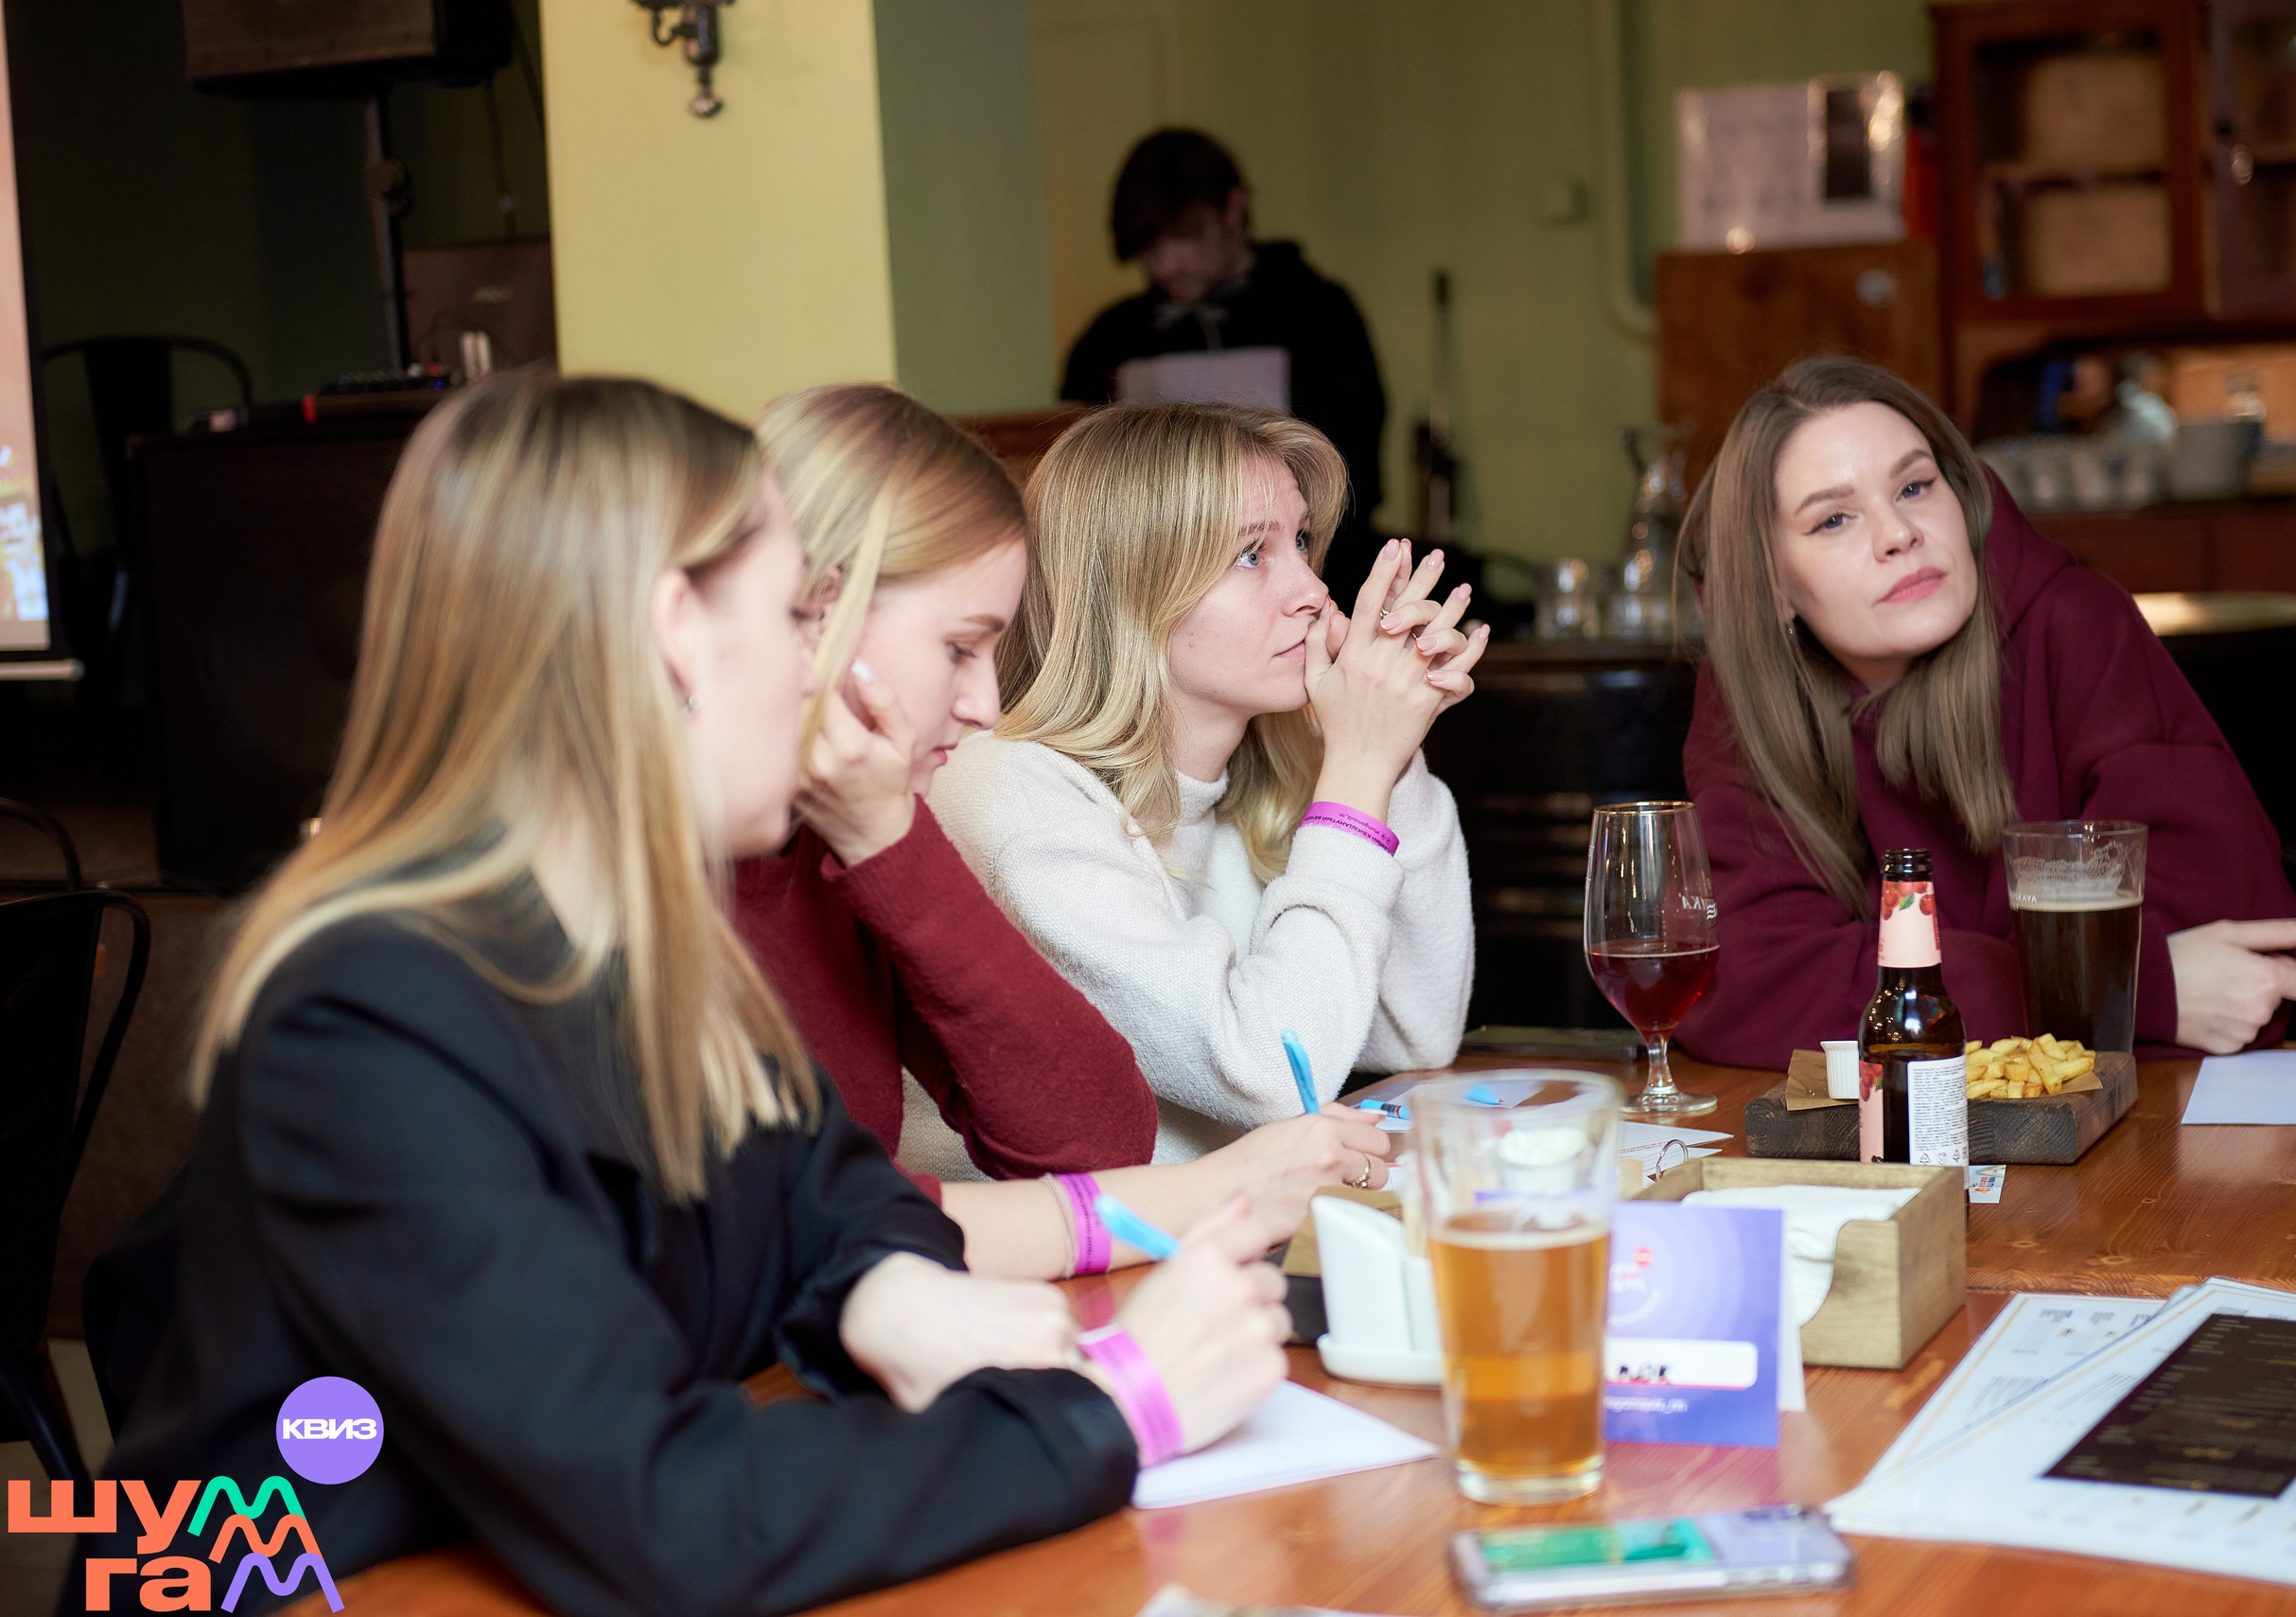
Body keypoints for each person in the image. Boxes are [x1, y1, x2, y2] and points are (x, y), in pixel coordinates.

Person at [79, 374, 1288, 1616]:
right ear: (678, 635)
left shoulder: (640, 935)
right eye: (799, 612)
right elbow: (660, 1510)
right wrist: (1116, 1407)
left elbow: (830, 1198)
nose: (820, 662)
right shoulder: (371, 1014)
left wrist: (891, 1289)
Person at [734, 384, 1394, 1278]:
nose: (986, 705)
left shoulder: (839, 838)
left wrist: (1383, 750)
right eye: (961, 648)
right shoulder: (977, 797)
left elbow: (1087, 1131)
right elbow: (802, 1233)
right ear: (818, 618)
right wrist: (1221, 1191)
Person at [1672, 357, 2296, 1070]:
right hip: (1896, 1146)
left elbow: (2236, 962)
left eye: (1915, 485)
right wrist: (2118, 990)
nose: (1898, 533)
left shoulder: (2076, 625)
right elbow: (1747, 984)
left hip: (2133, 1130)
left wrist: (1905, 994)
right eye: (1833, 519)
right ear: (1773, 589)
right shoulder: (1750, 695)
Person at [929, 402, 1485, 1161]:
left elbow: (1416, 1030)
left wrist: (1389, 751)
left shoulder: (1267, 774)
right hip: (1059, 1269)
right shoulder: (1014, 797)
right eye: (1252, 555)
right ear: (1131, 591)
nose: (1314, 593)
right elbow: (1275, 1070)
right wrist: (1358, 772)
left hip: (1213, 1247)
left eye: (1300, 543)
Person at [1060, 129, 1388, 564]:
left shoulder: (1317, 314)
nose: (1166, 264)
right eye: (1149, 248)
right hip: (1157, 576)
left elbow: (1352, 472)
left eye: (1184, 237)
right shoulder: (1114, 336)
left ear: (1233, 208)